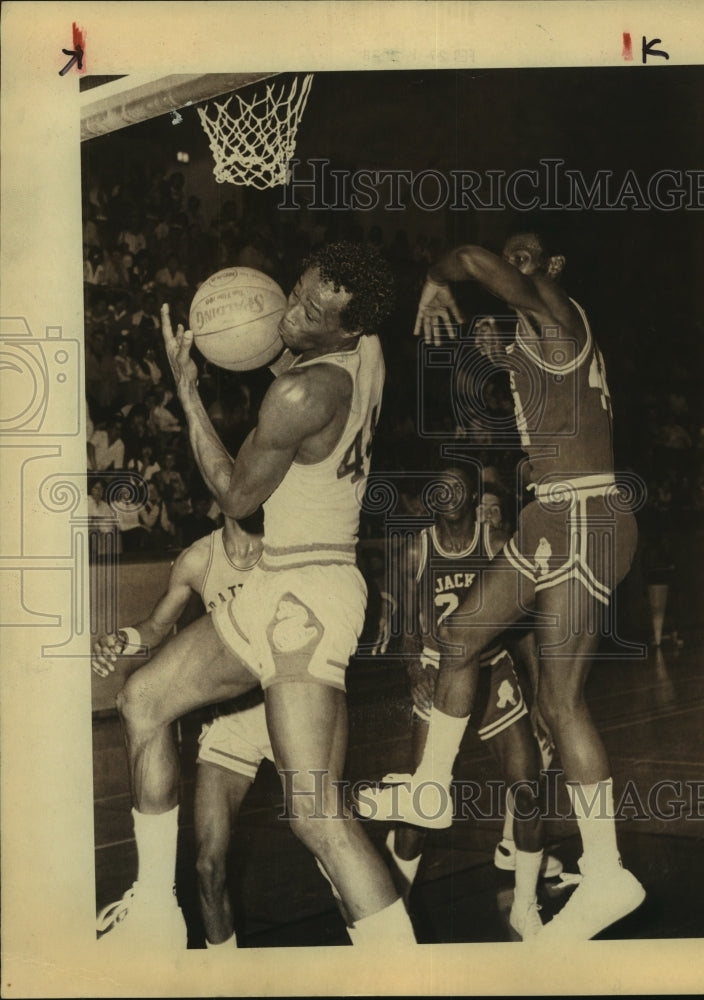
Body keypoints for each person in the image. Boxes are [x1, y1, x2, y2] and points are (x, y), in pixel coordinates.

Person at [99, 241, 415, 949]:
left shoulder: (302, 394)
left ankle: (404, 973)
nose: (289, 313)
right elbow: (288, 348)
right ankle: (154, 908)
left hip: (307, 597)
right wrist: (254, 333)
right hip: (284, 583)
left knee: (312, 813)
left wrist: (186, 388)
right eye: (293, 292)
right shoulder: (366, 354)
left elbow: (236, 495)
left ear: (348, 328)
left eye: (308, 310)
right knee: (143, 699)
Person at [358, 231, 645, 941]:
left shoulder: (555, 310)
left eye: (525, 258)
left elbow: (469, 258)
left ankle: (606, 873)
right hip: (551, 512)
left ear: (551, 269)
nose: (511, 269)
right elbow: (543, 412)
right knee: (457, 637)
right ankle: (430, 786)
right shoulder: (535, 336)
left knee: (559, 700)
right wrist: (502, 351)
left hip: (584, 511)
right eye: (510, 258)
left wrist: (437, 278)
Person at [380, 464, 554, 939]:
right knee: (421, 805)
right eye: (440, 485)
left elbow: (527, 631)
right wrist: (415, 671)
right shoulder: (415, 550)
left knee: (528, 788)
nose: (449, 493)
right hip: (439, 675)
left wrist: (539, 697)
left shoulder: (497, 544)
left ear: (475, 495)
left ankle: (525, 906)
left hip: (493, 669)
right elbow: (402, 629)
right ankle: (398, 907)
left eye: (459, 485)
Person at [92, 514, 269, 947]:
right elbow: (155, 628)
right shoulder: (197, 559)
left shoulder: (289, 543)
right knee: (208, 868)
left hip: (291, 704)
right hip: (232, 717)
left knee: (327, 842)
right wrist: (120, 638)